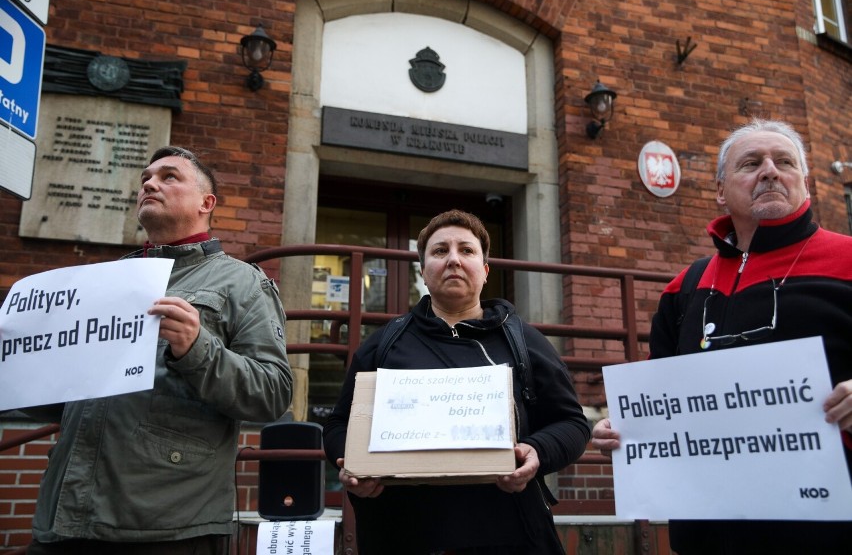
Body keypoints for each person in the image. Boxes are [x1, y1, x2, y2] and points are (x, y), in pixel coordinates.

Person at [591, 119, 852, 554]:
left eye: (784, 162)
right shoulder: (684, 288)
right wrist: (625, 434)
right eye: (751, 163)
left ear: (804, 182)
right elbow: (663, 407)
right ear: (720, 190)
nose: (769, 170)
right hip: (707, 536)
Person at [25, 147, 293, 554]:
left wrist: (196, 347)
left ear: (207, 203)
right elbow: (67, 400)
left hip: (169, 525)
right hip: (66, 519)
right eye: (145, 179)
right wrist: (24, 371)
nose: (149, 183)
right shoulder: (103, 284)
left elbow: (272, 393)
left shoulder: (242, 283)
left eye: (169, 177)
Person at [323, 209, 591, 554]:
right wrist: (353, 465)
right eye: (439, 251)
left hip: (509, 535)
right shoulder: (384, 343)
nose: (453, 260)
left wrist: (537, 451)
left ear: (485, 270)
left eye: (466, 250)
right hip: (401, 535)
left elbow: (572, 423)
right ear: (423, 270)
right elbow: (338, 425)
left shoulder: (524, 341)